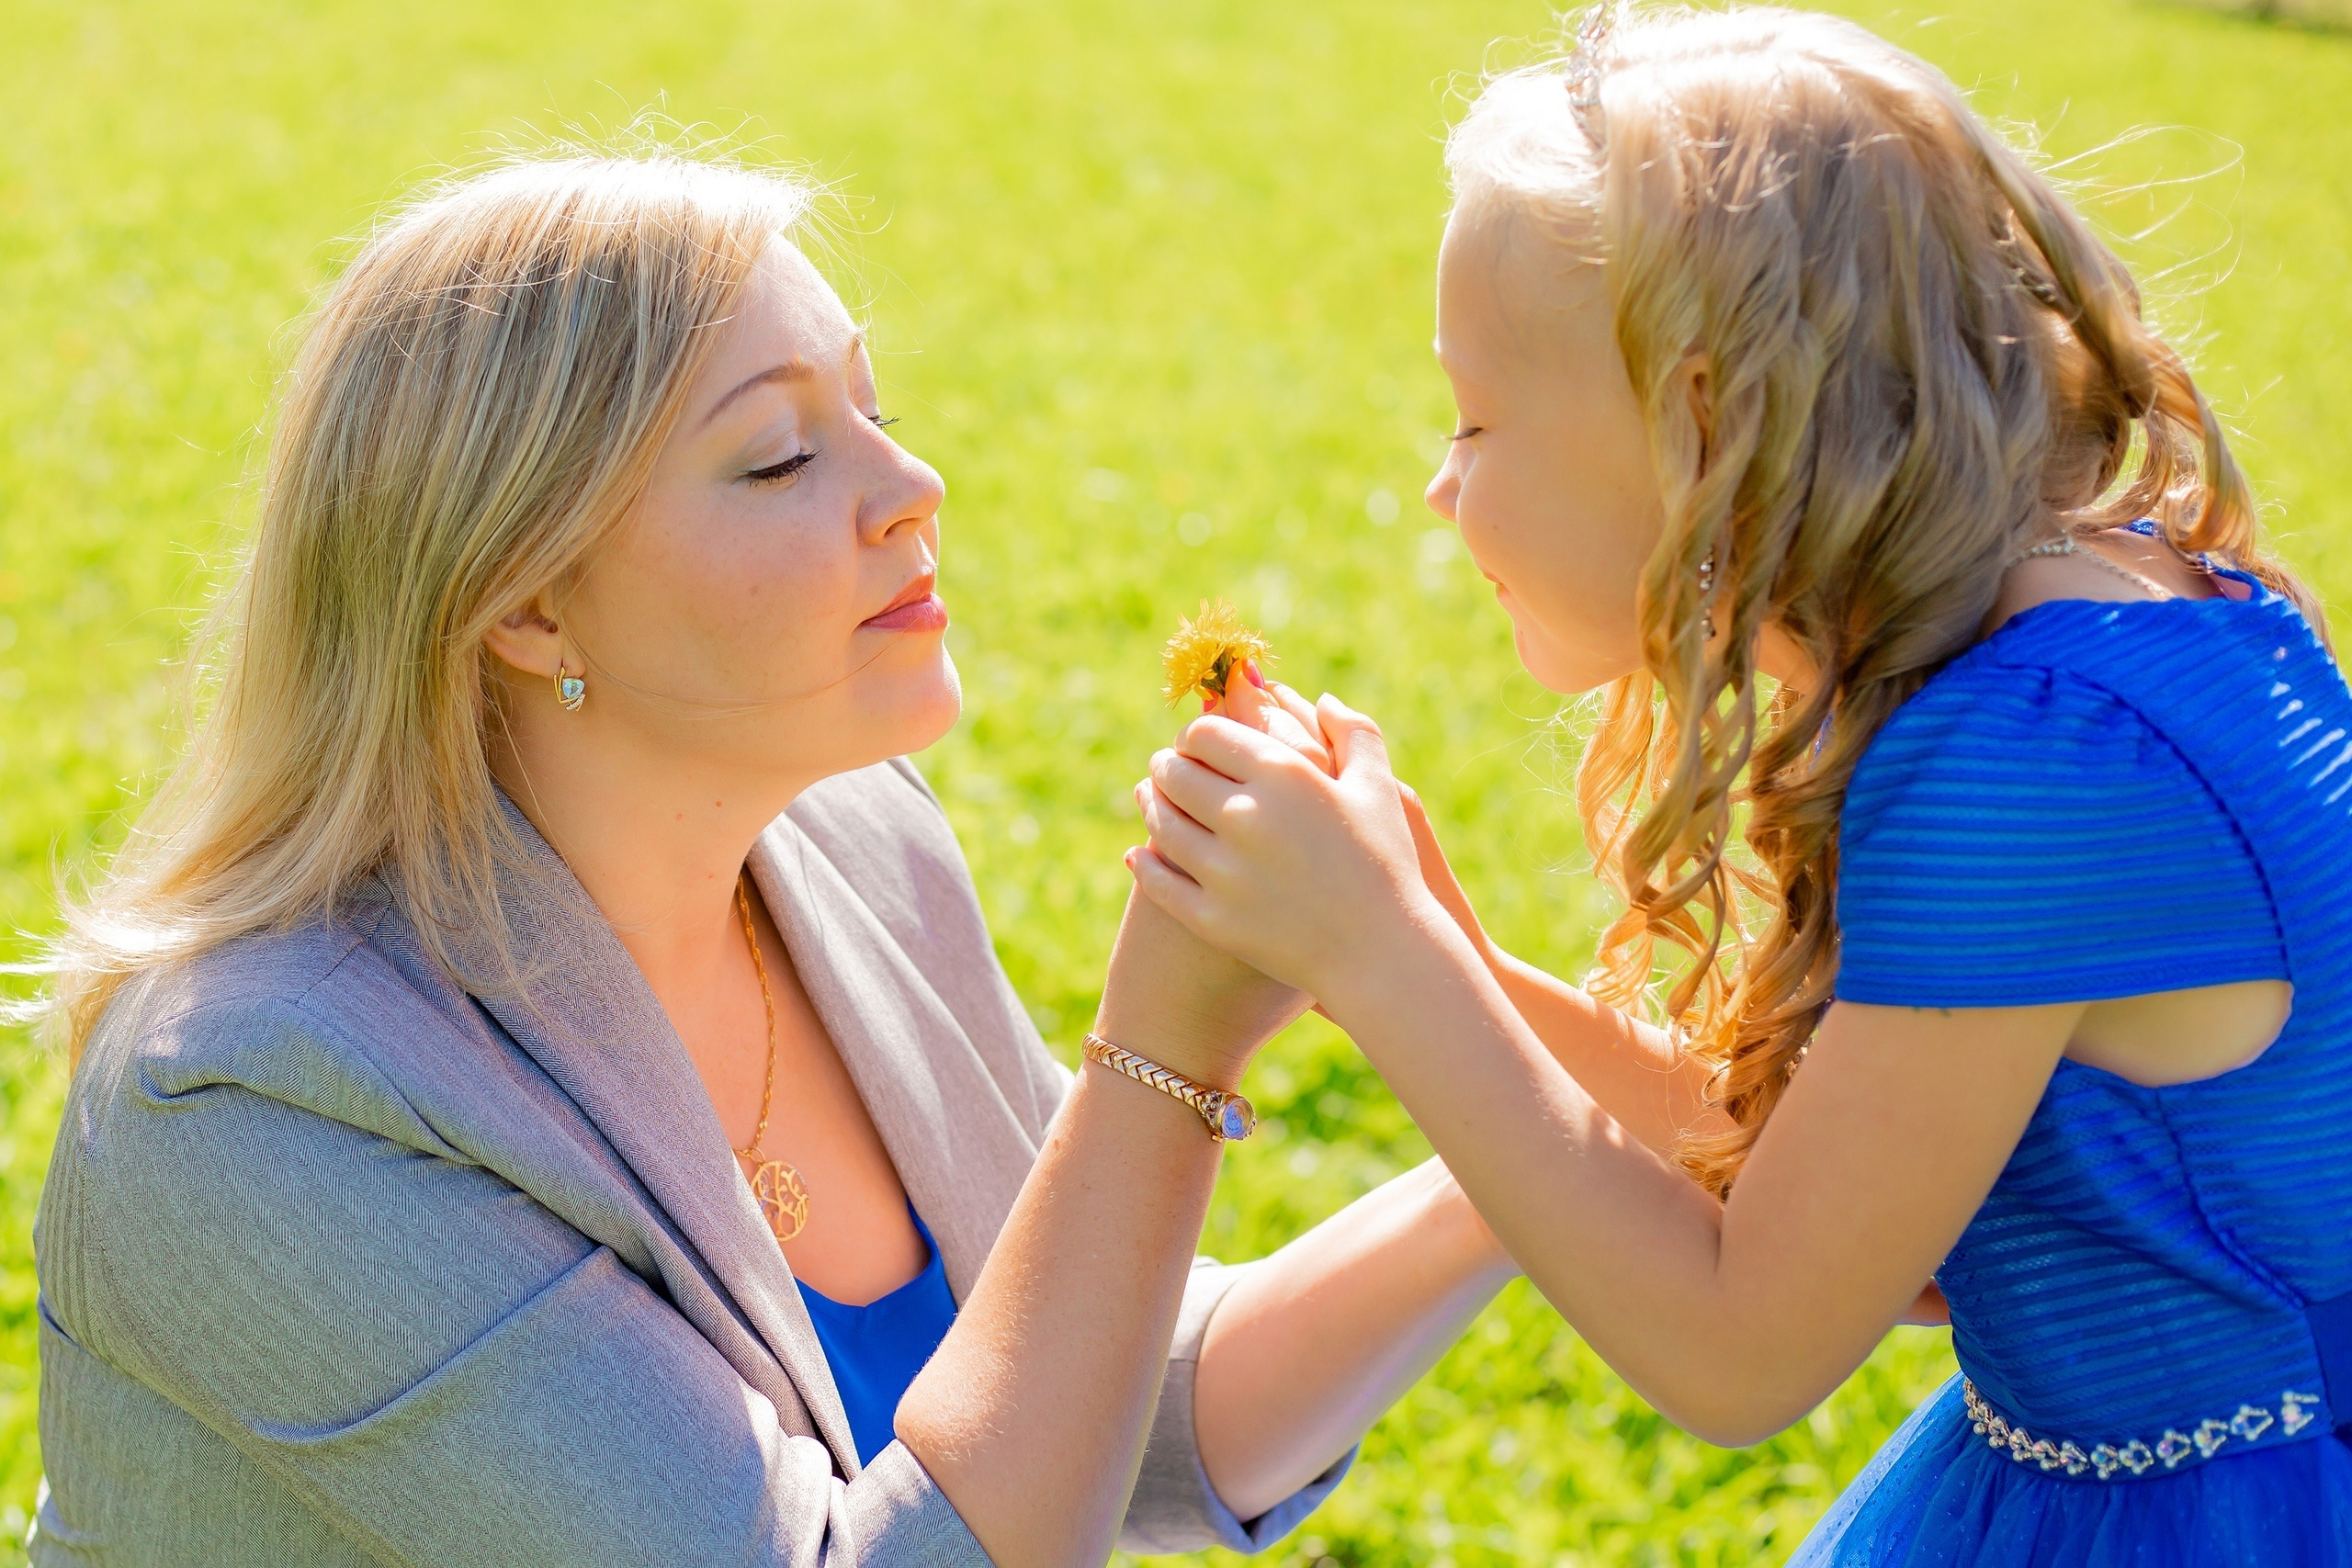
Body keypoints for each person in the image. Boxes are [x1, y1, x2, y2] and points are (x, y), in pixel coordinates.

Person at [24, 152, 1519, 1567]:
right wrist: (1162, 1050)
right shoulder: (257, 1108)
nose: (912, 483)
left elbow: (1112, 1407)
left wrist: (1548, 1137)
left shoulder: (854, 850)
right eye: (783, 456)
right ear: (533, 607)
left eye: (874, 406)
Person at [1130, 6, 2352, 1562]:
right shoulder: (2130, 623)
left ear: (1698, 426)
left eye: (1476, 418)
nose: (1443, 483)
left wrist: (1382, 959)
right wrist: (1448, 949)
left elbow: (1745, 1347)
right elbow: (1866, 1215)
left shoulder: (2028, 762)